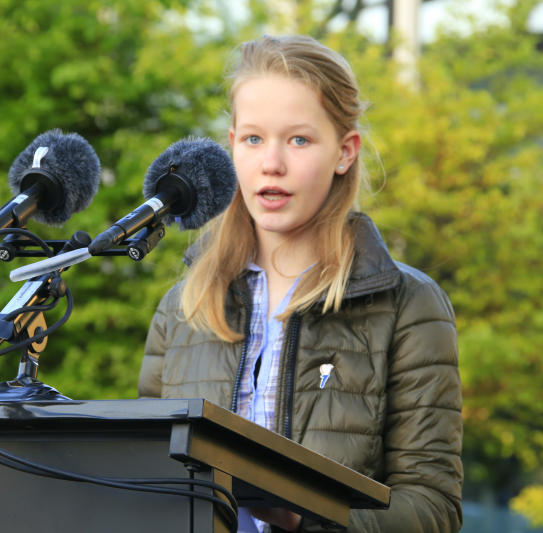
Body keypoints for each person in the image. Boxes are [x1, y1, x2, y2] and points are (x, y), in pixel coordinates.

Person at [138, 35, 463, 533]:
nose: (272, 163)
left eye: (299, 140)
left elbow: (434, 508)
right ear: (231, 150)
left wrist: (306, 519)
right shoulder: (182, 306)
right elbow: (144, 482)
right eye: (253, 139)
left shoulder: (408, 305)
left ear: (344, 152)